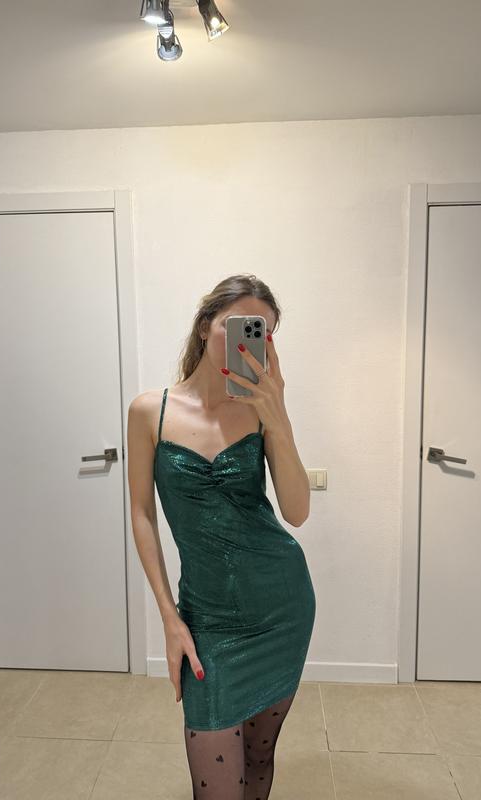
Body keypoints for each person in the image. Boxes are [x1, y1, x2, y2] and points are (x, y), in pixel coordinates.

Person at [127, 274, 316, 799]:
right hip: (207, 618)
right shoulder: (149, 411)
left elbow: (297, 513)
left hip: (281, 607)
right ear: (206, 324)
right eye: (238, 325)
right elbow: (142, 513)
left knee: (258, 757)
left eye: (262, 332)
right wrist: (170, 618)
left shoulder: (260, 411)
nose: (249, 340)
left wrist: (278, 416)